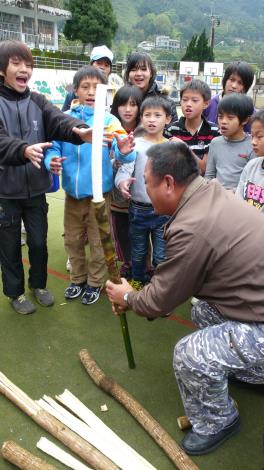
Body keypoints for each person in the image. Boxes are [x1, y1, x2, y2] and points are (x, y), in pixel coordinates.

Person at [106, 140, 264, 456]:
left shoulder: (193, 226)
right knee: (204, 311)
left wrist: (128, 296)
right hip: (255, 303)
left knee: (190, 353)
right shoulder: (210, 191)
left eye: (146, 183)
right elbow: (176, 286)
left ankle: (219, 421)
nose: (144, 191)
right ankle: (254, 372)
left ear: (168, 183)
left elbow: (159, 301)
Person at [0, 40, 93, 315]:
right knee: (9, 247)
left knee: (39, 242)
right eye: (16, 63)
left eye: (28, 65)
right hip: (6, 192)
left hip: (36, 190)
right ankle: (15, 293)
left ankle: (38, 285)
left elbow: (58, 119)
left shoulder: (37, 100)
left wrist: (79, 130)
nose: (24, 70)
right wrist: (23, 149)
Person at [45, 66, 135, 305]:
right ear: (76, 90)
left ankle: (95, 283)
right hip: (72, 196)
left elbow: (120, 147)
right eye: (85, 86)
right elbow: (53, 145)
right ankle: (78, 279)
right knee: (72, 240)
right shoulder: (65, 118)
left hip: (99, 196)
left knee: (99, 242)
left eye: (97, 87)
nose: (91, 91)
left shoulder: (108, 119)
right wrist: (49, 159)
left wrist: (124, 151)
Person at [115, 96, 171, 289]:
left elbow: (181, 180)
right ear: (141, 118)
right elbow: (125, 169)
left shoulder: (173, 147)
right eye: (147, 115)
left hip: (164, 212)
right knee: (138, 252)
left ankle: (159, 289)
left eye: (157, 115)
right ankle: (138, 281)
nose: (152, 119)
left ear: (168, 119)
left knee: (161, 255)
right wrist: (122, 183)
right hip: (138, 209)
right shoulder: (135, 144)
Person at [110, 85, 144, 279]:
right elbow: (107, 163)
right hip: (117, 197)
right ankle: (127, 263)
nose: (128, 109)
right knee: (121, 232)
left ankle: (142, 266)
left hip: (139, 197)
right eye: (123, 104)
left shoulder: (145, 131)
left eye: (133, 104)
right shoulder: (111, 131)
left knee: (140, 234)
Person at [164, 79, 220, 174]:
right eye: (185, 100)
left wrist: (185, 148)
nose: (188, 104)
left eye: (194, 100)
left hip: (201, 186)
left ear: (206, 104)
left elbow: (204, 169)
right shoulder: (171, 130)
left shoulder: (214, 131)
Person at [205, 93, 255, 191]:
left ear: (244, 120)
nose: (223, 121)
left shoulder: (252, 145)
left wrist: (232, 193)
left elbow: (252, 183)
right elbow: (209, 175)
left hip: (240, 200)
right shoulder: (215, 143)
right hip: (216, 196)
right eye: (220, 117)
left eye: (230, 118)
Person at [124, 51, 177, 123]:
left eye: (143, 69)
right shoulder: (121, 100)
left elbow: (173, 131)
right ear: (128, 74)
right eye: (133, 70)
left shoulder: (167, 102)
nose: (139, 74)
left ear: (151, 73)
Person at [203, 61, 254, 132]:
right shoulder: (209, 104)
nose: (234, 86)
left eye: (240, 83)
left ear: (246, 87)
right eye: (232, 80)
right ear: (225, 80)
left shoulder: (250, 111)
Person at [62, 45, 114, 112]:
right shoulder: (72, 95)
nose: (102, 67)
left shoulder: (112, 93)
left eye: (106, 65)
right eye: (99, 63)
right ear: (91, 64)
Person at [236, 109, 264, 213]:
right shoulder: (251, 165)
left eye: (259, 136)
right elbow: (238, 199)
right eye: (252, 136)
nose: (253, 142)